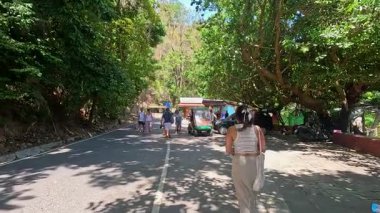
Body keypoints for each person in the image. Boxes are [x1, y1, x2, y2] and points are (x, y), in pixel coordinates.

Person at [225, 105, 266, 213]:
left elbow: (228, 150)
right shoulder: (257, 129)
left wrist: (237, 151)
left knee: (242, 195)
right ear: (251, 116)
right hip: (254, 164)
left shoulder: (231, 130)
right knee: (253, 193)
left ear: (237, 116)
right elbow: (263, 148)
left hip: (239, 163)